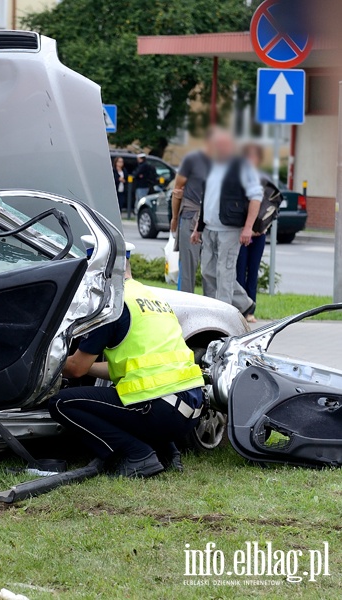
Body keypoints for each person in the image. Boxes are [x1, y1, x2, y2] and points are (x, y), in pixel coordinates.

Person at [49, 252, 205, 478]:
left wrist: (44, 360)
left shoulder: (111, 304)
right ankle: (167, 453)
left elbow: (75, 369)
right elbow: (136, 367)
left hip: (160, 408)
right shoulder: (150, 297)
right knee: (123, 397)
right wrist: (90, 366)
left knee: (62, 403)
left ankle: (136, 455)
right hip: (189, 410)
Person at [192, 128, 261, 317]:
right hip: (209, 228)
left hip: (230, 229)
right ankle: (244, 304)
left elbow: (256, 197)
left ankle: (221, 317)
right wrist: (198, 228)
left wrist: (248, 228)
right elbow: (206, 199)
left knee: (225, 272)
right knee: (208, 272)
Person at [170, 141, 211, 294]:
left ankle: (212, 308)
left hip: (213, 219)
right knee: (188, 266)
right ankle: (185, 306)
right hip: (191, 216)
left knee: (210, 268)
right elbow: (177, 190)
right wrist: (175, 218)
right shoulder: (192, 160)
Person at [235, 144, 268, 323]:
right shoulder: (240, 180)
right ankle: (240, 308)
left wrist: (264, 226)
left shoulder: (263, 179)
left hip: (259, 234)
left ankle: (250, 310)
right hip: (242, 232)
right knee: (239, 271)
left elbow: (271, 204)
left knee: (252, 272)